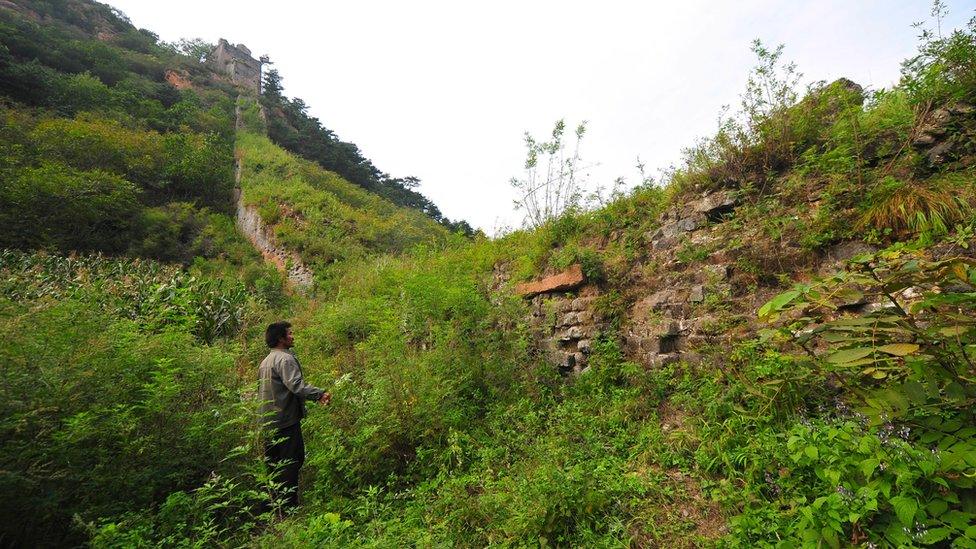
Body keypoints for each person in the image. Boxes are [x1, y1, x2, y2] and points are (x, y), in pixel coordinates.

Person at [258, 321, 330, 508]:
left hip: (267, 422)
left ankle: (273, 506)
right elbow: (296, 385)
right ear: (281, 339)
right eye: (289, 333)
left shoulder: (265, 361)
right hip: (285, 421)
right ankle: (289, 507)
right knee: (291, 461)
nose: (293, 336)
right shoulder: (285, 359)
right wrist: (319, 394)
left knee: (273, 464)